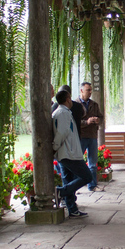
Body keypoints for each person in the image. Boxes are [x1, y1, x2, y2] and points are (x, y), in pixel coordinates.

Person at [52, 90, 92, 218]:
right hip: (69, 153)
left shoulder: (62, 112)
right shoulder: (63, 113)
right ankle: (60, 192)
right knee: (87, 176)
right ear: (68, 99)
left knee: (68, 179)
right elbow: (62, 133)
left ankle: (72, 209)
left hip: (68, 152)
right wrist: (55, 147)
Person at [77, 81, 104, 192]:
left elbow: (101, 117)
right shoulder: (75, 104)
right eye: (88, 90)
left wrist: (98, 120)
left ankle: (92, 185)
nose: (90, 92)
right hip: (81, 136)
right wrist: (86, 122)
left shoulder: (94, 104)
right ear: (81, 90)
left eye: (91, 90)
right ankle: (76, 185)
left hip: (92, 136)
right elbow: (74, 122)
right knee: (78, 161)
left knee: (92, 163)